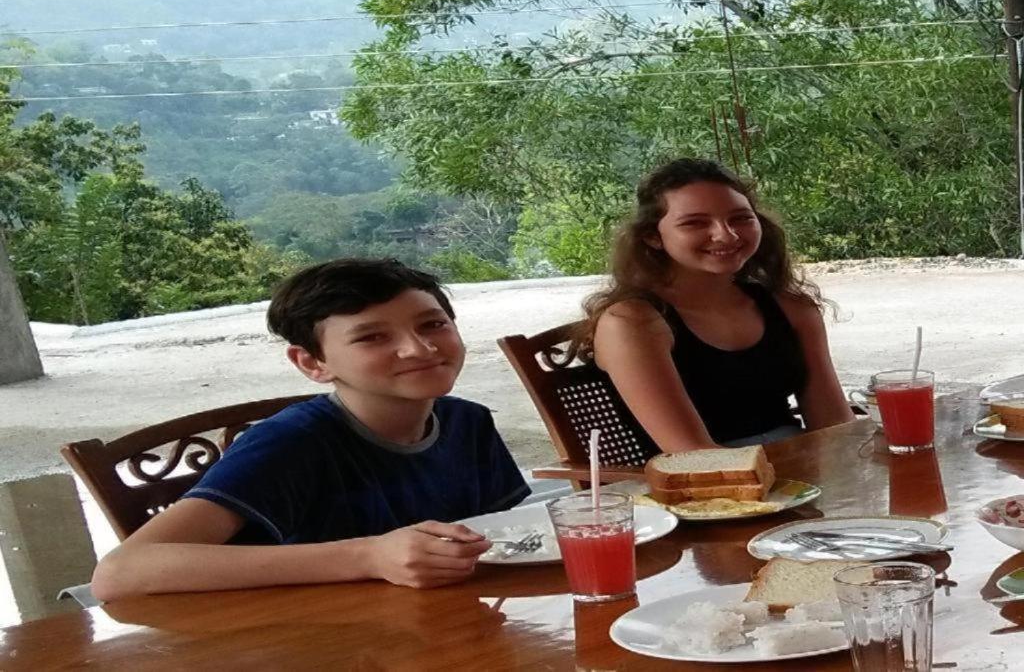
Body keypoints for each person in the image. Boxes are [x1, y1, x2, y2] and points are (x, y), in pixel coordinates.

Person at [91, 259, 530, 600]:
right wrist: (370, 555)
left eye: (432, 324)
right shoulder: (291, 443)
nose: (419, 348)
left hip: (430, 626)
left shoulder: (466, 422)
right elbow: (120, 574)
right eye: (372, 337)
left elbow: (508, 533)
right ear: (312, 363)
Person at [574, 158, 853, 452]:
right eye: (694, 222)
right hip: (700, 487)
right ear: (653, 237)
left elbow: (833, 423)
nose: (726, 234)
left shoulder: (791, 307)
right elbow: (691, 452)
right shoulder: (632, 323)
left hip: (801, 469)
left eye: (741, 218)